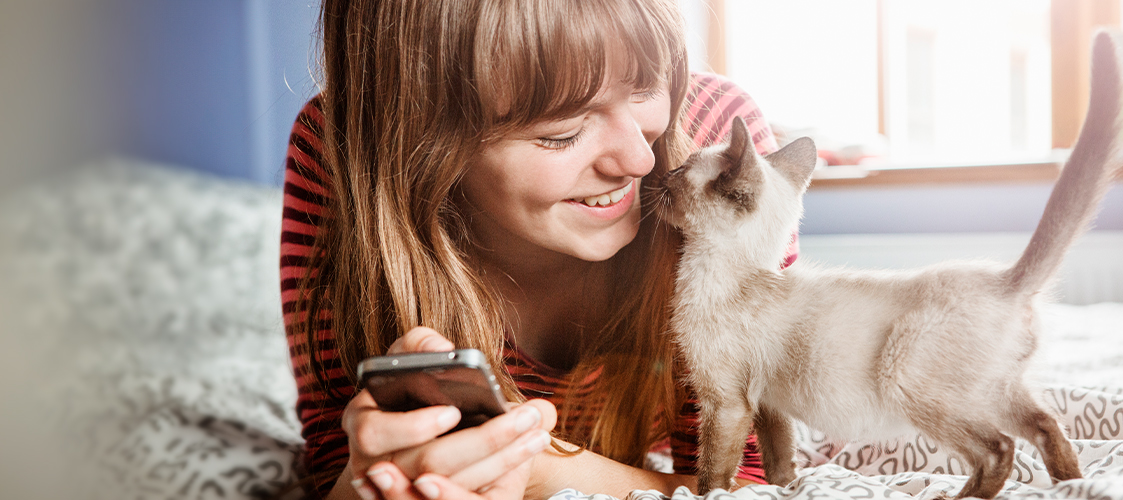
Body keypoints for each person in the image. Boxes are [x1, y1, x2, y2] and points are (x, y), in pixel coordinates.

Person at [280, 1, 793, 499]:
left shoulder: (718, 150)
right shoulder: (338, 149)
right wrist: (381, 476)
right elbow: (335, 467)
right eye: (562, 132)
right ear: (421, 140)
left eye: (646, 85)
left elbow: (752, 484)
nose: (641, 159)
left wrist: (533, 468)